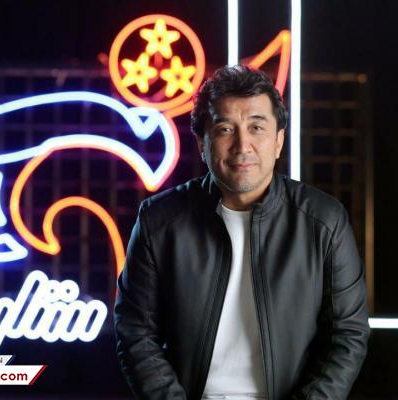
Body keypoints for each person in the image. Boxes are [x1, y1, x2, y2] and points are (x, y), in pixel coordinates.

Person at [114, 65, 370, 399]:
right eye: (224, 129)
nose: (242, 145)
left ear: (278, 141)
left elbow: (347, 336)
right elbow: (135, 332)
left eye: (256, 127)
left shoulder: (324, 221)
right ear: (202, 142)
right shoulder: (159, 222)